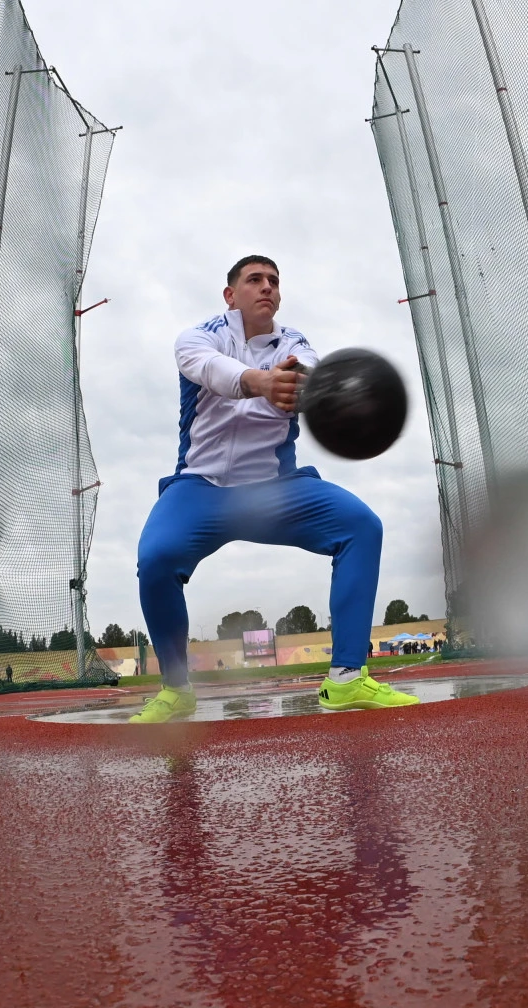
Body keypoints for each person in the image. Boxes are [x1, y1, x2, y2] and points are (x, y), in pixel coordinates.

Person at [130, 255, 414, 722]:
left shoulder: (295, 342)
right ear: (230, 295)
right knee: (155, 559)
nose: (267, 288)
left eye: (274, 281)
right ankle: (176, 689)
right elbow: (210, 369)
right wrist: (260, 382)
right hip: (201, 487)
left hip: (276, 489)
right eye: (255, 280)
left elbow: (309, 368)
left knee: (362, 526)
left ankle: (346, 678)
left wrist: (309, 384)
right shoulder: (197, 338)